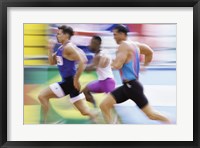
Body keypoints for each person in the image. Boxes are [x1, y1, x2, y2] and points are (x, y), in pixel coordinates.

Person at [99, 24, 171, 124]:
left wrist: (107, 62)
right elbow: (149, 52)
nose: (113, 37)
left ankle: (170, 122)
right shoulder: (135, 45)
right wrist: (144, 66)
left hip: (132, 87)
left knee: (151, 115)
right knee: (104, 105)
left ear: (122, 34)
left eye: (115, 34)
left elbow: (117, 65)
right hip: (128, 87)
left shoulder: (123, 46)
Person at [38, 25, 97, 123]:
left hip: (69, 82)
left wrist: (76, 80)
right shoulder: (61, 48)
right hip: (70, 84)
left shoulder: (69, 47)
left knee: (42, 96)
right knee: (85, 112)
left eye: (59, 34)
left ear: (66, 35)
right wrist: (50, 49)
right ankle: (95, 116)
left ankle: (47, 122)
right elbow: (52, 62)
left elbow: (83, 61)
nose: (57, 36)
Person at [82, 36, 116, 107]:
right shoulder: (99, 54)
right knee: (85, 91)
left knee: (112, 106)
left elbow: (89, 69)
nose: (89, 45)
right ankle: (95, 108)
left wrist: (80, 67)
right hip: (101, 82)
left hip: (108, 82)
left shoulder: (100, 55)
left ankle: (114, 117)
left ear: (98, 44)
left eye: (92, 43)